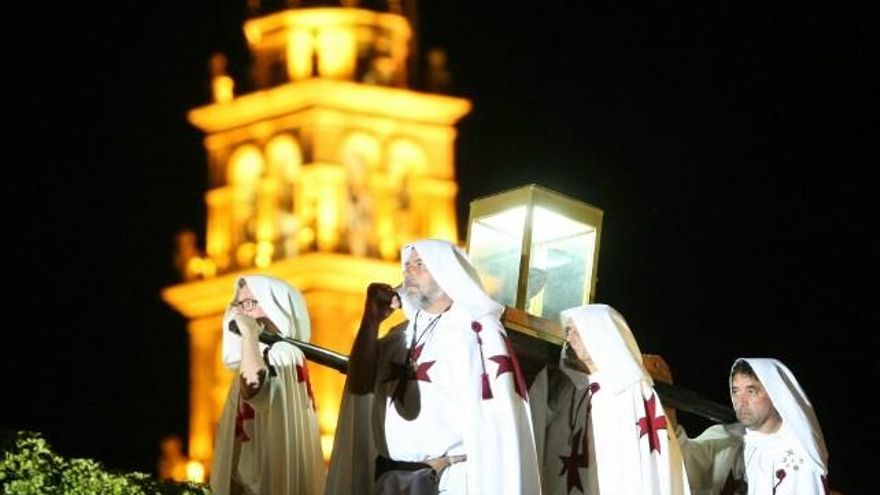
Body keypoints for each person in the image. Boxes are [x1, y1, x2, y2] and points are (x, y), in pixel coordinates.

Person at [325, 238, 541, 494]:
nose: (408, 270)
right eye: (407, 264)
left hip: (450, 481)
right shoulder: (398, 336)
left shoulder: (475, 332)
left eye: (420, 264)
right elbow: (359, 386)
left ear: (447, 271)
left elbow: (496, 418)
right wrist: (371, 321)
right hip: (391, 480)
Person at [541, 304, 690, 494]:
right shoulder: (572, 394)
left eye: (575, 331)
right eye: (568, 331)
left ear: (598, 333)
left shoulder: (630, 393)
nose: (568, 339)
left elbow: (636, 466)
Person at [210, 275, 324, 495]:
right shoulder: (262, 356)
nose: (240, 313)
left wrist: (250, 335)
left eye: (250, 303)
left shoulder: (283, 353)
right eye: (237, 304)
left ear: (276, 307)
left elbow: (254, 389)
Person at [678, 358, 832, 494]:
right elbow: (681, 462)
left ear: (775, 394)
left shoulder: (799, 460)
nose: (740, 402)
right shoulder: (728, 436)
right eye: (736, 391)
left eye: (751, 391)